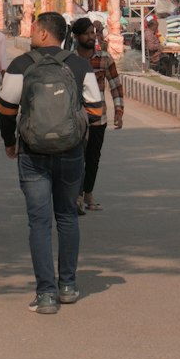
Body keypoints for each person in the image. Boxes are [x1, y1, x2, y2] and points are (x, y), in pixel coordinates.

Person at [0, 11, 104, 315]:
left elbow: (5, 108)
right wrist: (76, 128)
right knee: (67, 216)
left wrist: (9, 142)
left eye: (33, 27)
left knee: (40, 222)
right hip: (71, 152)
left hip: (33, 154)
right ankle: (68, 286)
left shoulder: (21, 65)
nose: (30, 31)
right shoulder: (80, 65)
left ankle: (46, 294)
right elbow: (96, 111)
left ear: (44, 33)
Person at [70, 17, 124, 214]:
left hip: (97, 118)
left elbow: (116, 86)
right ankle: (77, 196)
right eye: (87, 33)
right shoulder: (69, 60)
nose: (91, 37)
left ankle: (88, 194)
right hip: (75, 119)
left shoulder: (104, 59)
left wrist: (119, 111)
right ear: (76, 36)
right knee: (76, 157)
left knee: (93, 158)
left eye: (93, 33)